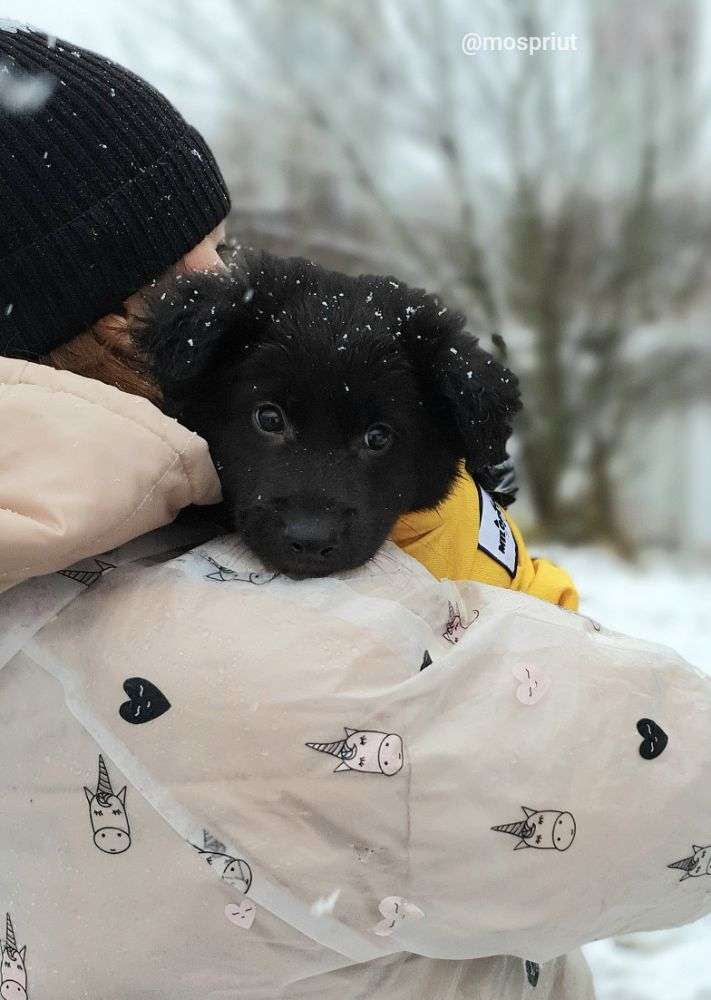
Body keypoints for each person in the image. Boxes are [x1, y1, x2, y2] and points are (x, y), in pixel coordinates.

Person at [0, 25, 652, 1000]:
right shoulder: (201, 615)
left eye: (227, 247)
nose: (226, 291)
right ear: (73, 325)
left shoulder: (97, 524)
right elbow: (637, 810)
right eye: (182, 278)